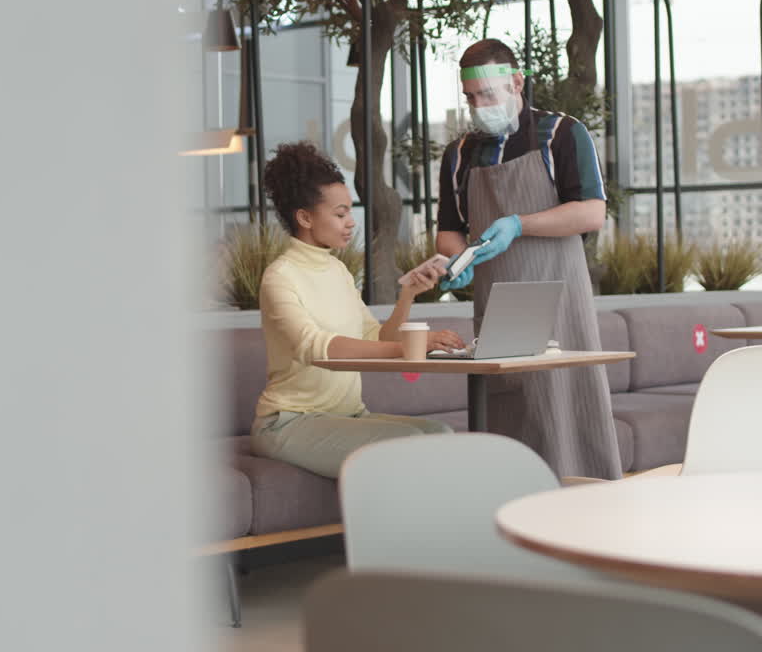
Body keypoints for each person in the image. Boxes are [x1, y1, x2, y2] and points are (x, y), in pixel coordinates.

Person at [435, 38, 622, 480]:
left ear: (517, 83)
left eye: (488, 94)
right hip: (496, 305)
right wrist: (458, 262)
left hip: (561, 299)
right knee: (509, 417)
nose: (479, 106)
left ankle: (586, 509)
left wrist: (519, 224)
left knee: (569, 408)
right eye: (471, 98)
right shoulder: (459, 155)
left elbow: (591, 212)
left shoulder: (561, 134)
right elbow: (448, 232)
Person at [251, 141, 464, 479]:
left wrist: (407, 295)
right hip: (288, 422)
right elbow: (315, 347)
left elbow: (375, 336)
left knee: (441, 433)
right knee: (410, 443)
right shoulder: (280, 277)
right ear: (305, 217)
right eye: (340, 214)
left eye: (349, 212)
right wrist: (411, 346)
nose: (351, 222)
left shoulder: (338, 271)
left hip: (347, 415)